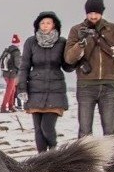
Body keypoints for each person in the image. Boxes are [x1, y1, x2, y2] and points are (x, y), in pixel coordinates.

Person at [64, 0, 114, 172]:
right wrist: (81, 43)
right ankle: (81, 169)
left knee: (110, 130)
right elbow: (69, 58)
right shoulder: (77, 30)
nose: (93, 16)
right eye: (91, 12)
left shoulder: (113, 30)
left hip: (108, 85)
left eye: (96, 12)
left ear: (102, 12)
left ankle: (110, 170)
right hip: (86, 85)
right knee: (85, 130)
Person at [17, 12, 74, 153]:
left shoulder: (62, 42)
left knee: (47, 128)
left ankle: (54, 151)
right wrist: (22, 88)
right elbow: (24, 67)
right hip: (35, 90)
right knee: (38, 130)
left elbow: (67, 66)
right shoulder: (31, 42)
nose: (45, 26)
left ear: (54, 25)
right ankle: (42, 159)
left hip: (55, 91)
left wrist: (77, 55)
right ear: (38, 25)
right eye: (42, 23)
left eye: (48, 23)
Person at [0, 34, 22, 113]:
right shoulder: (16, 52)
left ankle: (11, 106)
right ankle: (3, 107)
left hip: (5, 72)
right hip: (12, 73)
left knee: (12, 89)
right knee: (9, 90)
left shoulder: (7, 50)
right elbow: (17, 63)